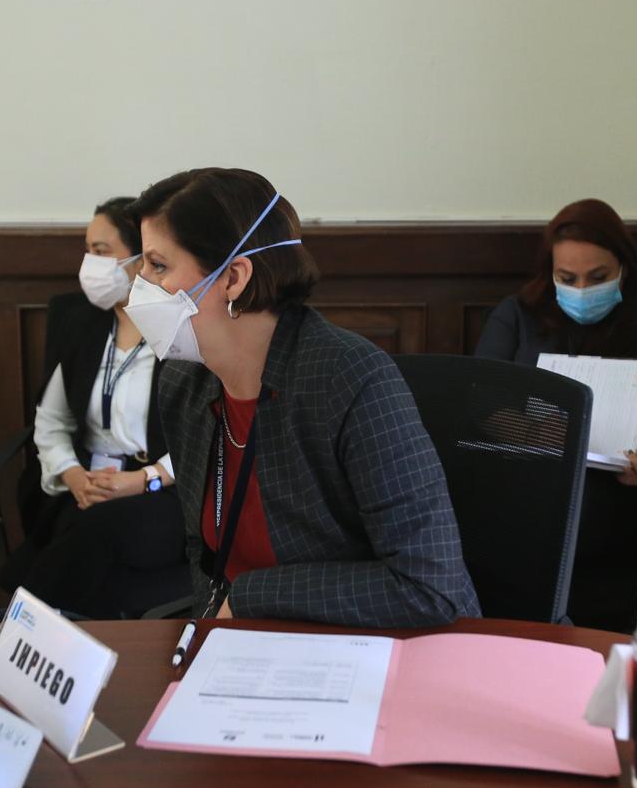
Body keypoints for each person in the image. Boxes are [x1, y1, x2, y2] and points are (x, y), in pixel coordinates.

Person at [123, 168, 480, 627]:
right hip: (258, 641)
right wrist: (207, 636)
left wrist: (250, 597)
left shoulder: (350, 377)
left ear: (234, 278)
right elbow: (205, 551)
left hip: (383, 645)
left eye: (158, 266)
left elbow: (429, 587)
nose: (139, 286)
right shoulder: (183, 382)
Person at [3, 196, 185, 618]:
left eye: (102, 252)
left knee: (94, 529)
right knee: (82, 525)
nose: (90, 264)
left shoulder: (178, 330)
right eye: (87, 251)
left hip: (160, 491)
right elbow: (51, 422)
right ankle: (37, 625)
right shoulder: (80, 323)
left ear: (141, 260)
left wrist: (142, 481)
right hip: (86, 484)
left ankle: (20, 620)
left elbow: (202, 439)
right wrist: (73, 475)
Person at [474, 198, 637, 633]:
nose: (583, 290)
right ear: (549, 272)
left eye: (599, 277)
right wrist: (532, 432)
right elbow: (480, 402)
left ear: (624, 268)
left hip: (618, 510)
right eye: (568, 279)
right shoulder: (517, 315)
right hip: (531, 494)